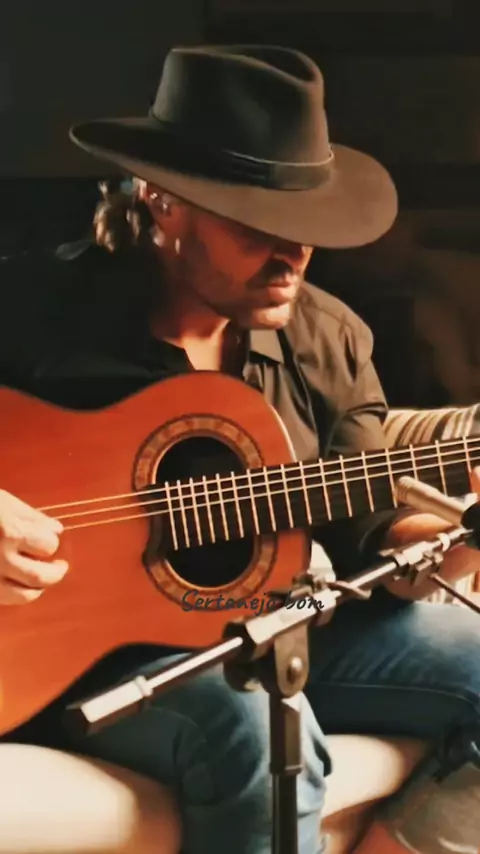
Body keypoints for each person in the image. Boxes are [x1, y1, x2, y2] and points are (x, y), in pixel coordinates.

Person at [1, 43, 480, 854]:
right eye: (258, 224)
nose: (291, 254)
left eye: (307, 228)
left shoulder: (327, 337)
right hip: (65, 646)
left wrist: (458, 541)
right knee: (254, 732)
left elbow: (371, 532)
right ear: (162, 204)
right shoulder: (29, 304)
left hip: (276, 622)